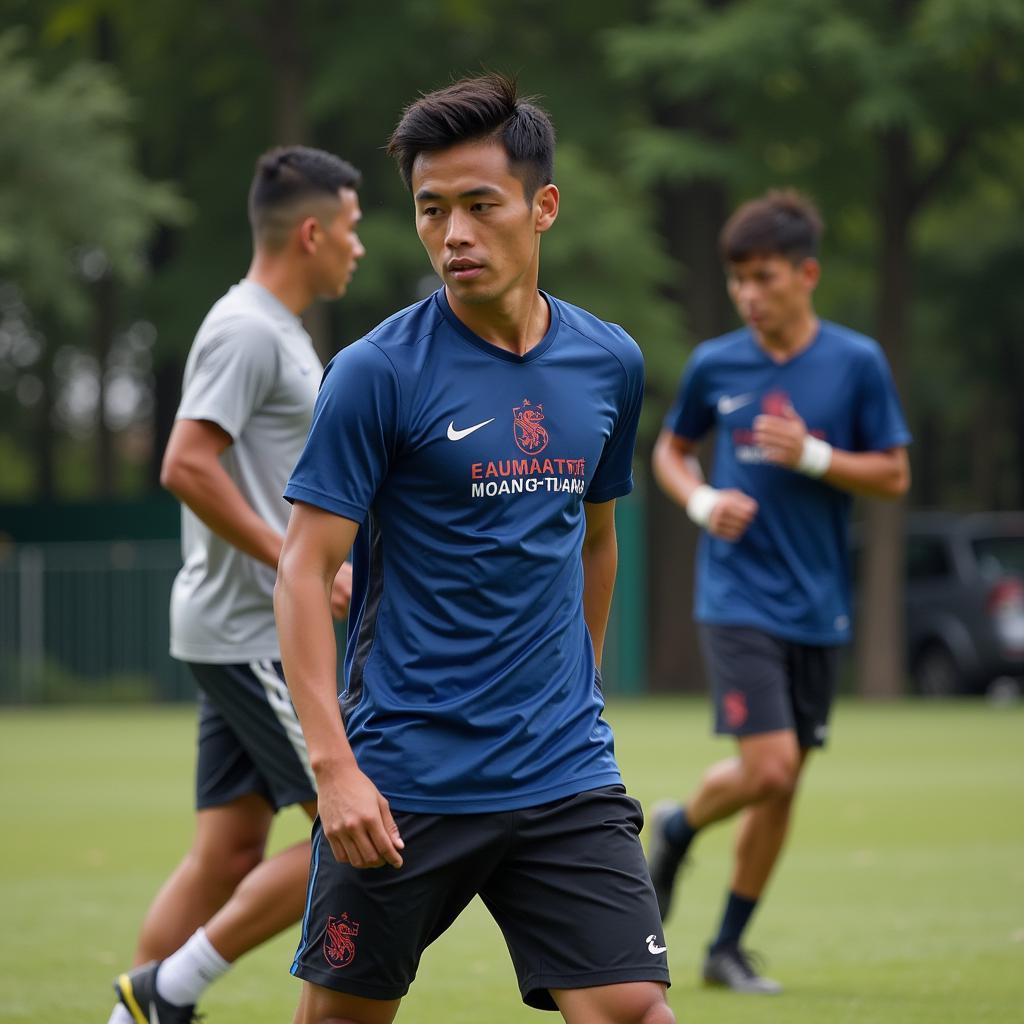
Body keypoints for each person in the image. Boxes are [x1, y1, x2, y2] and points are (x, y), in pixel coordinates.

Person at [275, 73, 674, 1024]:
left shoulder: (610, 361)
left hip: (562, 770)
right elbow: (300, 567)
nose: (453, 234)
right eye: (430, 209)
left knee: (634, 1012)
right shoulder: (375, 374)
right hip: (405, 776)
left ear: (541, 208)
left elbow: (596, 540)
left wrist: (579, 691)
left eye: (479, 206)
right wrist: (334, 769)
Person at [110, 145, 365, 1024]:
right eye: (353, 228)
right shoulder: (246, 329)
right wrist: (293, 563)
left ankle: (130, 1018)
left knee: (225, 855)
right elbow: (185, 463)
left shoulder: (279, 330)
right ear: (310, 232)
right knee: (355, 828)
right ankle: (166, 990)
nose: (359, 247)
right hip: (255, 630)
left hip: (236, 629)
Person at [646, 189, 911, 994]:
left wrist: (817, 457)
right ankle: (682, 831)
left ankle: (723, 938)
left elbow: (894, 475)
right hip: (737, 595)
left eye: (764, 278)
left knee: (785, 778)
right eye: (738, 281)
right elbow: (670, 449)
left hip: (819, 603)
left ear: (807, 274)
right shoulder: (715, 364)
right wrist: (699, 502)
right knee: (771, 766)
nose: (749, 297)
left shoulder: (856, 363)